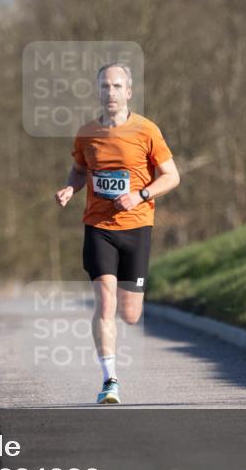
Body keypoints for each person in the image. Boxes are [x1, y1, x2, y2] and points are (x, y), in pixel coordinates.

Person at [55, 63, 181, 404]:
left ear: (128, 92)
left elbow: (172, 176)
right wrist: (70, 188)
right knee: (105, 302)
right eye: (104, 86)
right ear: (98, 91)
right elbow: (79, 170)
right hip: (99, 227)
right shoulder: (86, 133)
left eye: (116, 86)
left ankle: (113, 361)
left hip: (137, 227)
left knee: (130, 314)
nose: (110, 92)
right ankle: (109, 379)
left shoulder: (146, 130)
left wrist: (141, 194)